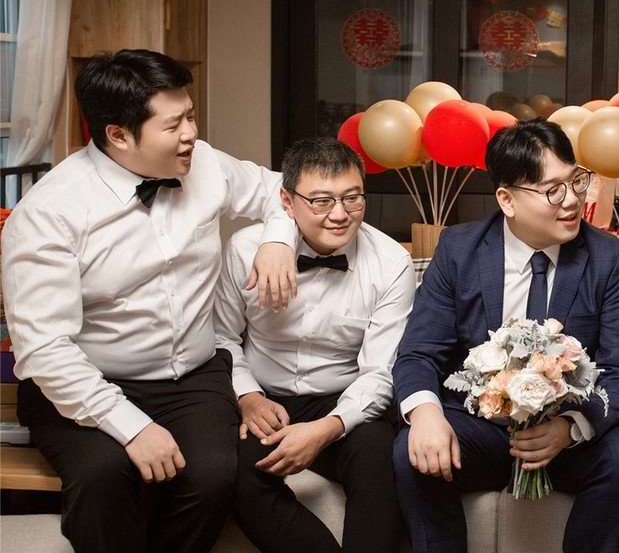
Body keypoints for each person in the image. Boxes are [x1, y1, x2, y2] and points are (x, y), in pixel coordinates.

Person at [1, 49, 298, 553]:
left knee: (213, 477)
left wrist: (276, 241)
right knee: (103, 476)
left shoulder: (205, 164)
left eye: (191, 116)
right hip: (82, 383)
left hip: (193, 377)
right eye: (173, 124)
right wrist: (132, 427)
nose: (191, 134)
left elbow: (281, 192)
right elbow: (45, 350)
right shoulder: (49, 212)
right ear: (118, 134)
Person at [392, 120, 619, 553]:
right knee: (409, 451)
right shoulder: (459, 250)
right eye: (553, 190)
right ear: (507, 200)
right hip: (479, 428)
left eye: (576, 181)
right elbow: (418, 353)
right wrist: (425, 415)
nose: (573, 200)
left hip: (565, 437)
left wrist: (570, 428)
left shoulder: (609, 258)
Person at [214, 137, 414, 553]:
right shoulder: (245, 250)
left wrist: (327, 428)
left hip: (344, 399)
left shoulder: (390, 262)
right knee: (234, 477)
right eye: (321, 201)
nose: (339, 214)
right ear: (287, 202)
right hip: (265, 400)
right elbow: (221, 338)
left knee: (382, 460)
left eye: (352, 198)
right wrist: (248, 398)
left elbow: (380, 372)